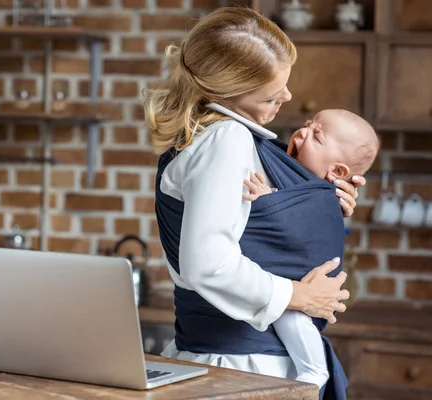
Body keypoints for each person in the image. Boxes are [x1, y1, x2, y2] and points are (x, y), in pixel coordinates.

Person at [143, 7, 366, 400]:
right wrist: (298, 296)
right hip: (245, 367)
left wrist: (314, 205)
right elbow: (208, 263)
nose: (288, 96)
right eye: (272, 90)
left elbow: (254, 223)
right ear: (229, 88)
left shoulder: (212, 135)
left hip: (222, 360)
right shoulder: (226, 138)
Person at [242, 109, 379, 388]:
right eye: (306, 125)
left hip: (307, 280)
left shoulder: (322, 195)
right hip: (285, 286)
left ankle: (315, 370)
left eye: (316, 136)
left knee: (294, 318)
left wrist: (270, 203)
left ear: (338, 172)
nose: (302, 132)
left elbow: (299, 220)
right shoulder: (288, 173)